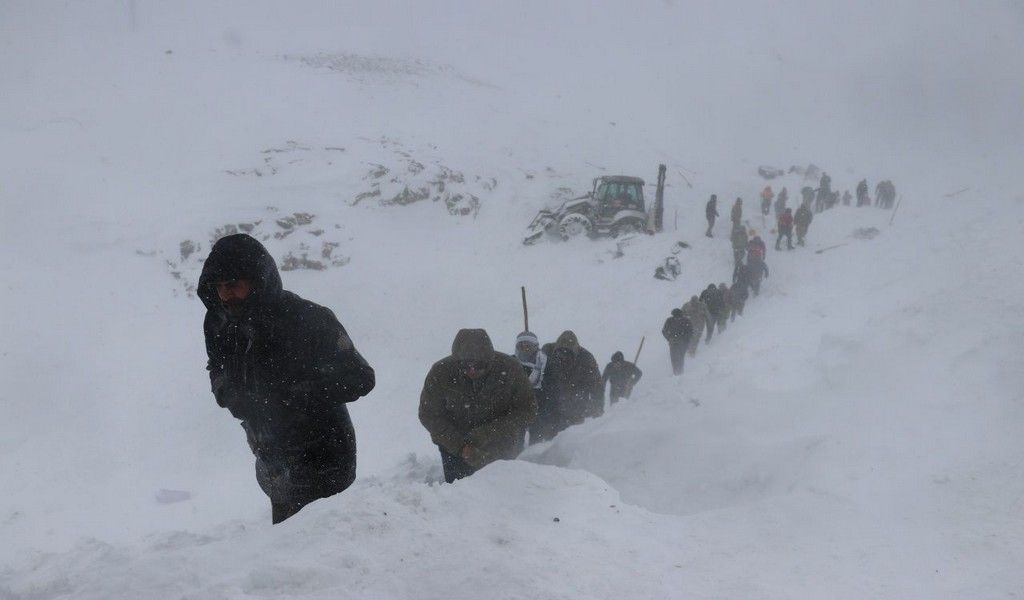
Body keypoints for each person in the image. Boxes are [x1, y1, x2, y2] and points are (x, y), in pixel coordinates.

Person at [199, 234, 376, 524]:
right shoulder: (219, 322)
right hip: (272, 461)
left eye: (233, 285)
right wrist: (227, 393)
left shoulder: (307, 318)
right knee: (288, 553)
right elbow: (216, 366)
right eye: (219, 288)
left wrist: (297, 395)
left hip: (325, 458)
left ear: (257, 281)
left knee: (327, 548)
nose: (225, 295)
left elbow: (360, 377)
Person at [419, 329, 537, 483]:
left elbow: (528, 410)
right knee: (457, 495)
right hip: (454, 447)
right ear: (457, 361)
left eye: (479, 365)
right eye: (466, 365)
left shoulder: (510, 369)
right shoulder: (441, 373)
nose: (472, 370)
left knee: (503, 492)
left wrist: (488, 434)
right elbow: (429, 415)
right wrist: (460, 446)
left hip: (502, 444)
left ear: (490, 360)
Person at [541, 331, 604, 432]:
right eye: (560, 354)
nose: (563, 358)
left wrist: (598, 406)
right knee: (547, 436)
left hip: (576, 404)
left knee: (571, 436)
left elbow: (597, 385)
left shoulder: (586, 359)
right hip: (551, 403)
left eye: (568, 353)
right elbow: (537, 373)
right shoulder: (546, 352)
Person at [515, 331, 554, 445]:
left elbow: (553, 386)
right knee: (516, 440)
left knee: (538, 440)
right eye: (521, 346)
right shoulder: (513, 363)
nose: (524, 349)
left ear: (535, 347)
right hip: (519, 408)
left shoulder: (545, 363)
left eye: (528, 346)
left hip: (541, 408)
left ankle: (534, 459)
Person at [661, 309, 693, 375]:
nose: (677, 317)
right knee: (680, 357)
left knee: (674, 357)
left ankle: (676, 371)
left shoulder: (670, 320)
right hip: (681, 342)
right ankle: (679, 370)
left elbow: (664, 331)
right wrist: (686, 339)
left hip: (675, 342)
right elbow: (690, 331)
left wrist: (669, 338)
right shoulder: (686, 320)